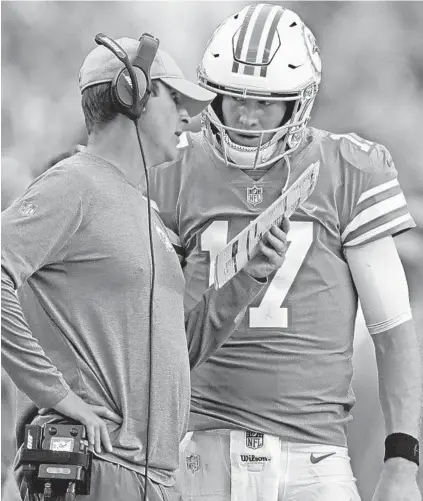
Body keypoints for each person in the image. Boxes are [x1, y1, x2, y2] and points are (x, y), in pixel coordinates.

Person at [149, 5, 422, 501]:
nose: (249, 118)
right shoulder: (175, 167)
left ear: (300, 102)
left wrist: (403, 459)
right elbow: (144, 324)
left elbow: (392, 330)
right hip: (199, 448)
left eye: (267, 103)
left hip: (312, 457)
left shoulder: (348, 169)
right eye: (237, 100)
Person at [1, 35, 290, 501]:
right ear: (131, 93)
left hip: (150, 477)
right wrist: (57, 395)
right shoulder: (74, 185)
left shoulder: (144, 213)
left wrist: (250, 276)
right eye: (174, 98)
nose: (188, 115)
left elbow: (177, 351)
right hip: (92, 467)